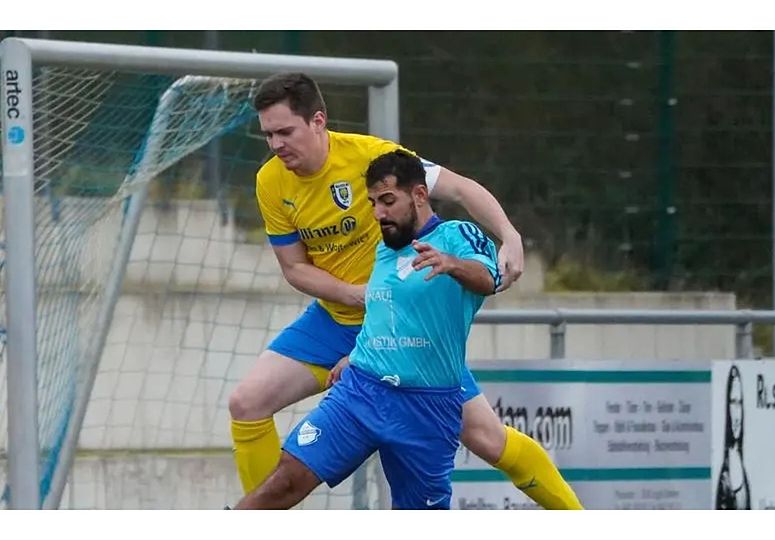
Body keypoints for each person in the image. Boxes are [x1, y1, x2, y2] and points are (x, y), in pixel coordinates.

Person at [229, 72, 581, 510]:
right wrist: (356, 295)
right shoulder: (270, 181)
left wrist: (509, 235)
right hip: (336, 319)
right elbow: (295, 268)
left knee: (490, 440)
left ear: (318, 121)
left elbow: (461, 188)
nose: (277, 145)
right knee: (247, 402)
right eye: (268, 135)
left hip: (405, 329)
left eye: (286, 132)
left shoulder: (372, 157)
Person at [237, 150, 499, 509]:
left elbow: (488, 279)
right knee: (286, 480)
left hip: (428, 407)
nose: (378, 213)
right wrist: (356, 356)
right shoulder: (385, 249)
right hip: (363, 392)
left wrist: (452, 264)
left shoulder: (458, 235)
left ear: (419, 195)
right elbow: (383, 315)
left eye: (388, 201)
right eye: (374, 203)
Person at [715, 365, 750, 509]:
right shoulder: (725, 478)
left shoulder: (741, 469)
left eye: (739, 403)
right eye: (733, 403)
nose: (737, 415)